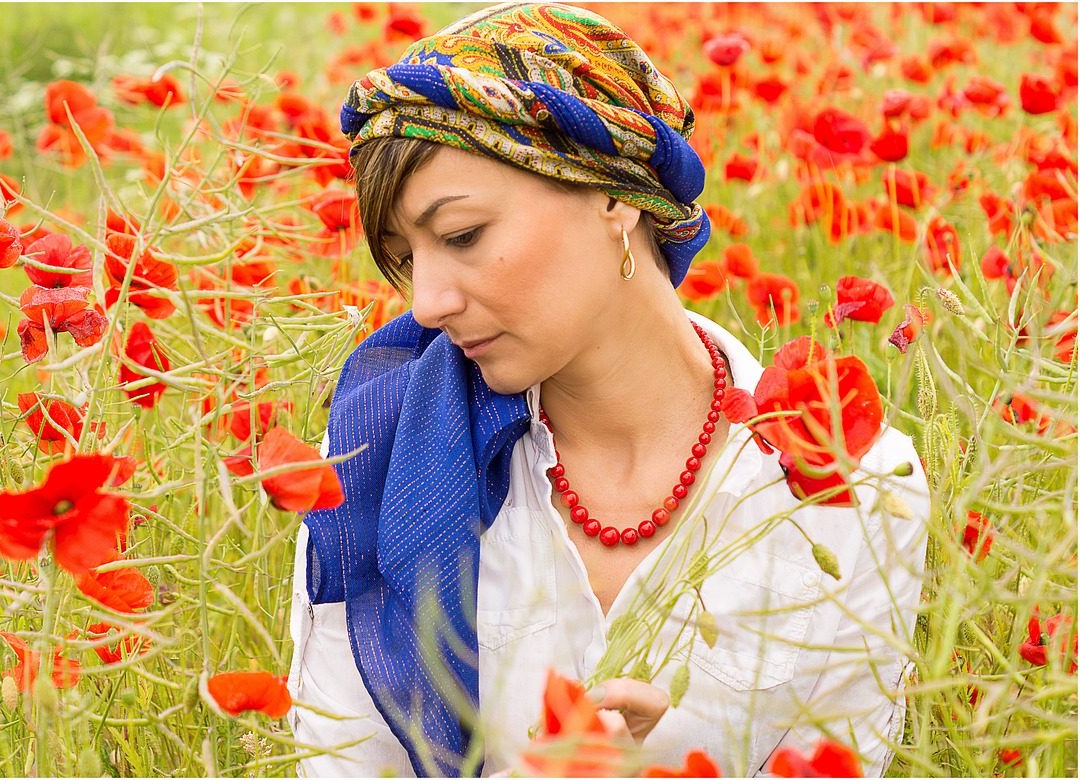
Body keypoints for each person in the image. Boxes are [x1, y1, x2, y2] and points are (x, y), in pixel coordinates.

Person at [286, 3, 930, 777]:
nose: (426, 303)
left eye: (461, 237)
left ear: (614, 193)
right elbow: (344, 761)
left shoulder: (851, 484)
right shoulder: (376, 456)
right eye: (404, 255)